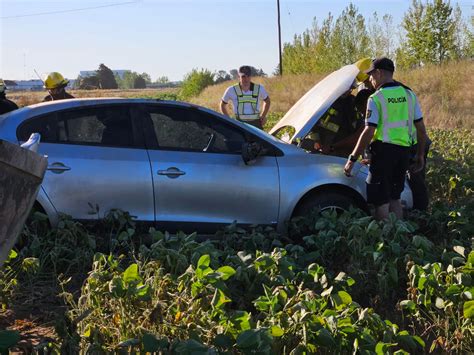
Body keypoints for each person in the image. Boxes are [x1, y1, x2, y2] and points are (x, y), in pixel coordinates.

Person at [343, 57, 428, 220]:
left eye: (372, 76)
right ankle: (398, 235)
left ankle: (385, 239)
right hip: (404, 153)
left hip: (384, 154)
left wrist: (352, 159)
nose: (371, 80)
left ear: (379, 73)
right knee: (395, 198)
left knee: (380, 201)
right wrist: (420, 155)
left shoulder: (376, 98)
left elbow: (368, 131)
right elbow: (421, 130)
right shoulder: (409, 94)